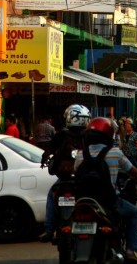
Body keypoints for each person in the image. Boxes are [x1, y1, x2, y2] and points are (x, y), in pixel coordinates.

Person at [75, 117, 137, 263]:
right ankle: (130, 250)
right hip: (108, 202)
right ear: (109, 135)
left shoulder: (81, 154)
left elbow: (75, 172)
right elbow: (132, 171)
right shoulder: (115, 152)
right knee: (133, 213)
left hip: (83, 202)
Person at [39, 104, 91, 243]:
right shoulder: (89, 135)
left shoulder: (62, 134)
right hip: (83, 178)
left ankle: (49, 230)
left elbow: (49, 150)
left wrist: (45, 159)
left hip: (65, 178)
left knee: (51, 196)